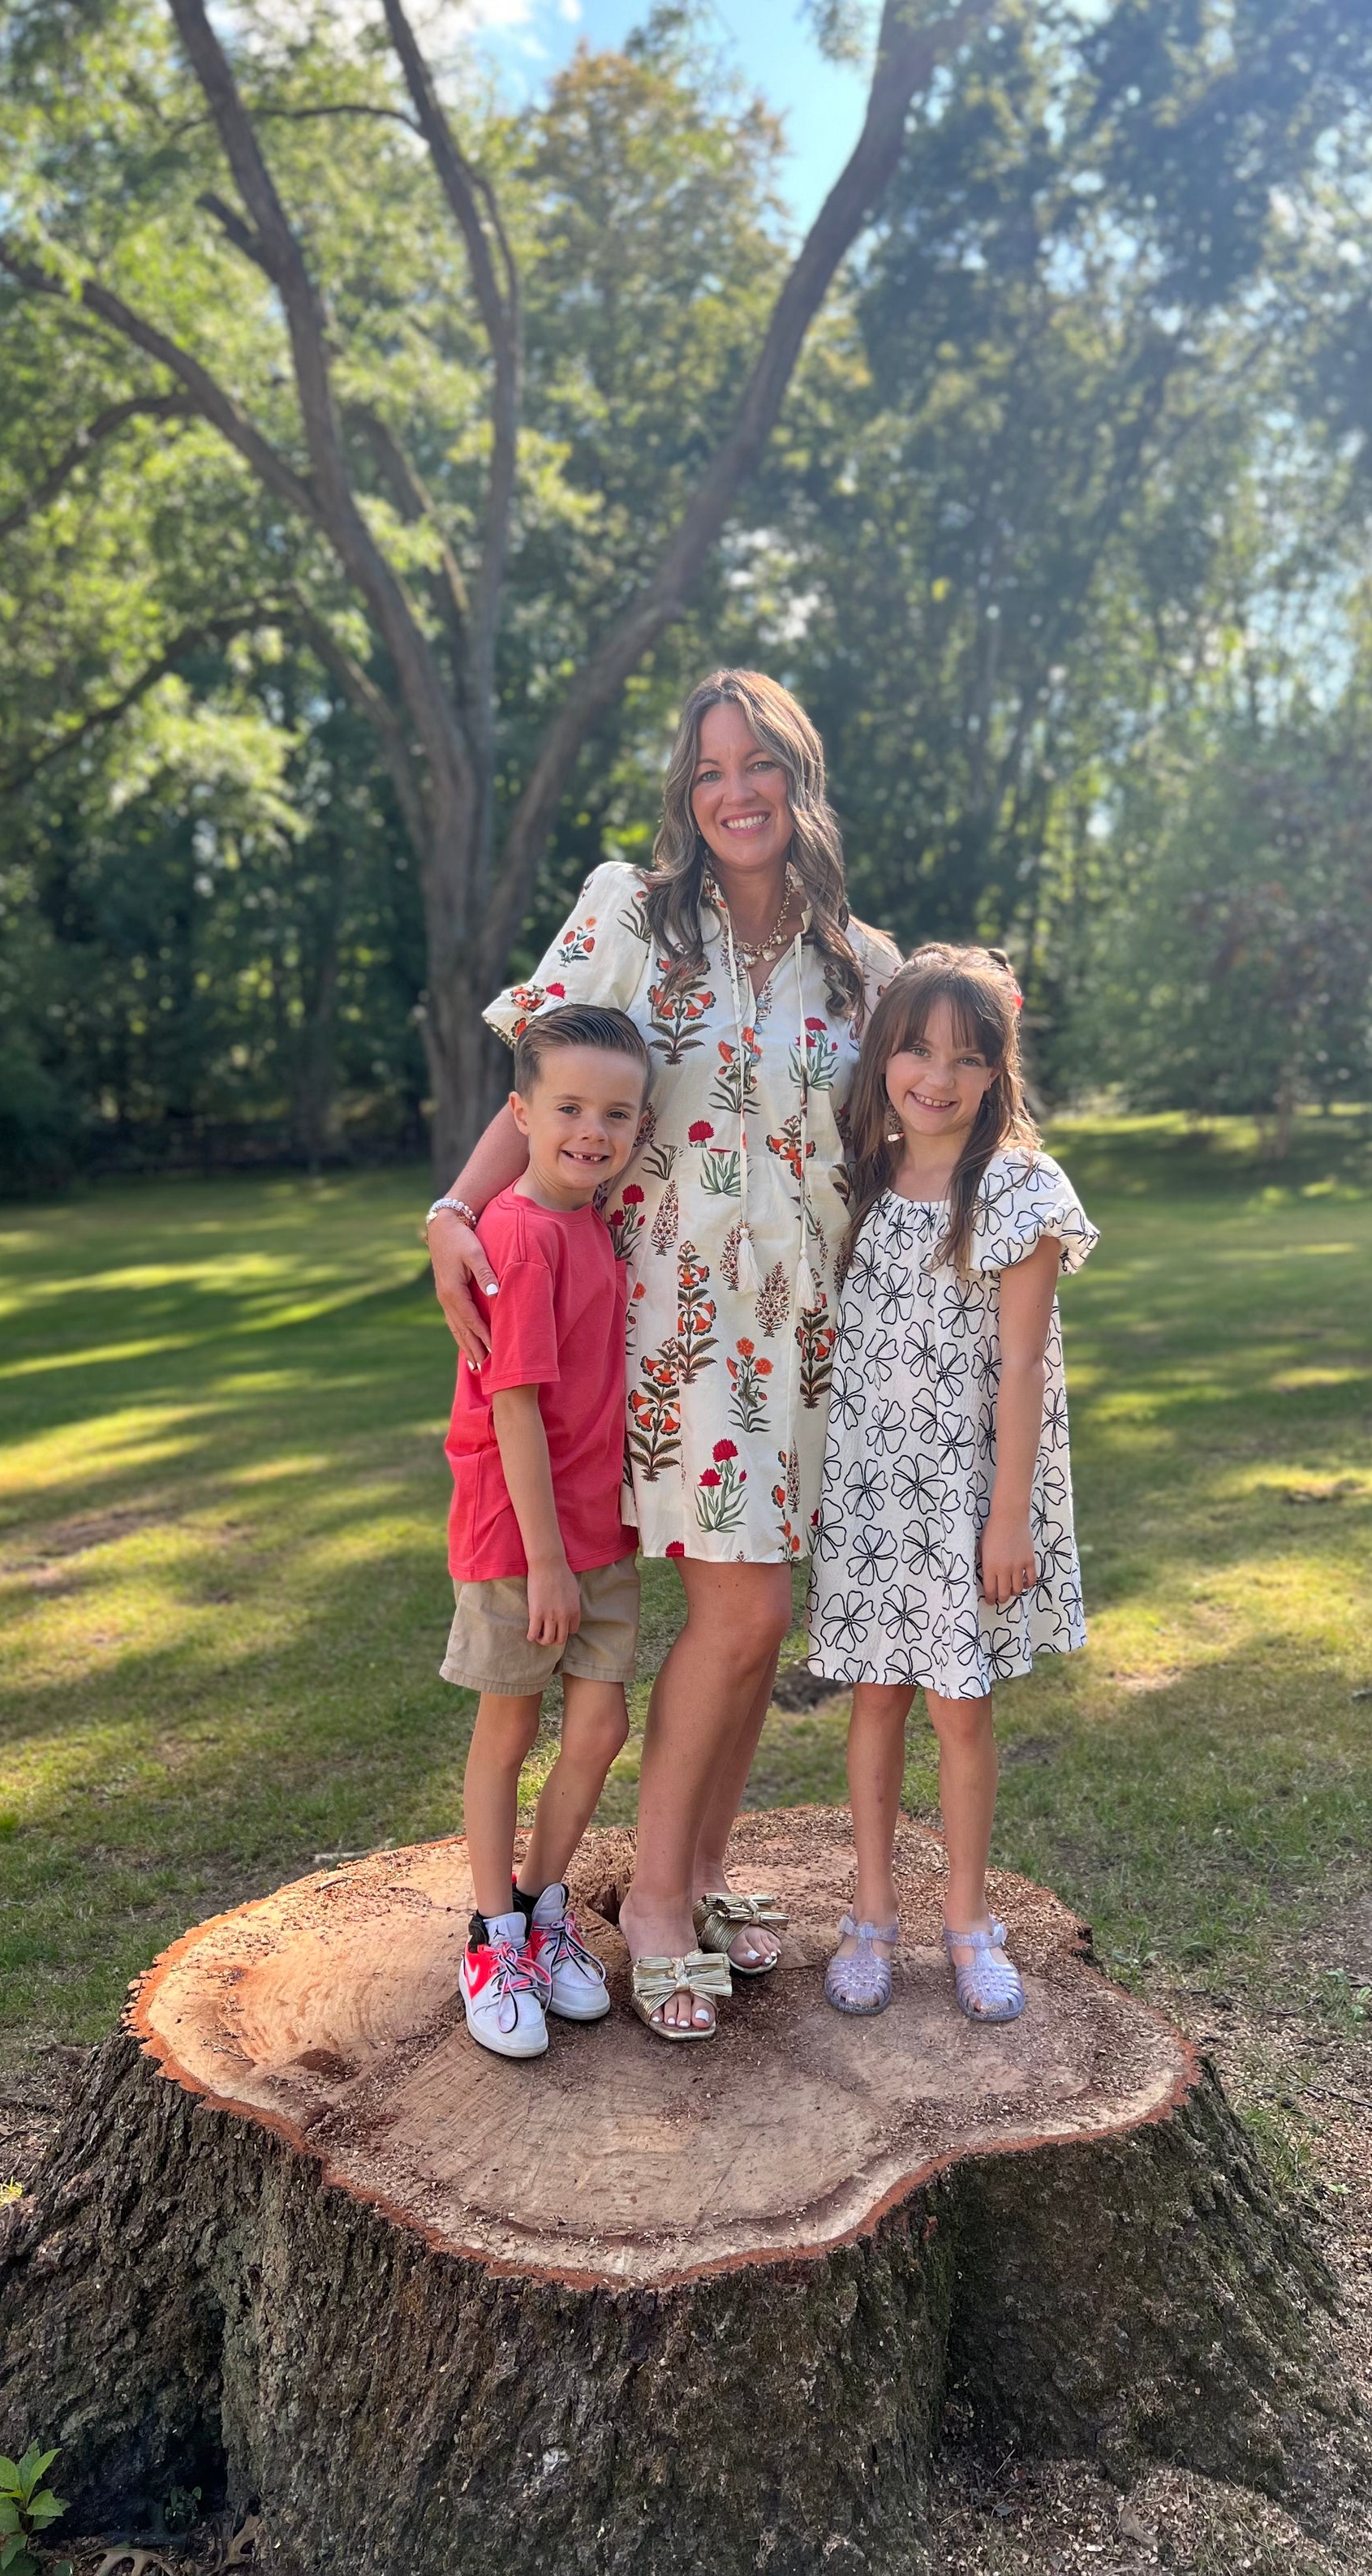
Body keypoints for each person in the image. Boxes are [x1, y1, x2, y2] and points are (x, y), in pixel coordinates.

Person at [427, 669, 899, 2038]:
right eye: (708, 772)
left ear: (800, 778)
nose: (734, 792)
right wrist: (456, 1208)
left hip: (807, 1339)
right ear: (686, 796)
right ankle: (645, 1904)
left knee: (754, 1624)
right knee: (741, 1615)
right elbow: (544, 1084)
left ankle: (695, 1868)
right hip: (664, 1330)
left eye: (758, 766)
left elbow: (908, 1134)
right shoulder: (633, 915)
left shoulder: (859, 965)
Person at [806, 946, 1099, 2025]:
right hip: (872, 1494)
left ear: (996, 1073)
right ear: (885, 1053)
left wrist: (1007, 1517)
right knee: (875, 1700)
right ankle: (872, 1914)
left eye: (967, 1058)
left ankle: (969, 1921)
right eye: (918, 1050)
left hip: (967, 1495)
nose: (937, 1077)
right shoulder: (860, 1179)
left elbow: (1022, 1366)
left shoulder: (1018, 1189)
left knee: (960, 1710)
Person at [442, 1002, 651, 2060]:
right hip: (523, 1539)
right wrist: (547, 1564)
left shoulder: (588, 1221)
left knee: (601, 1729)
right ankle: (491, 1938)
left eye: (616, 1114)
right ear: (520, 1115)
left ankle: (541, 1904)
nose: (592, 1131)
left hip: (595, 1529)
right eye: (568, 1108)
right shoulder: (520, 1237)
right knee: (509, 1731)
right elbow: (514, 1409)